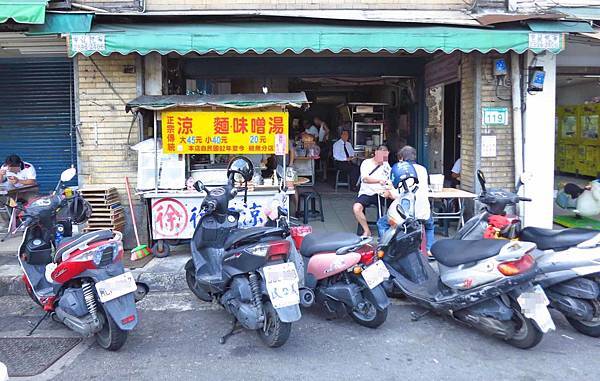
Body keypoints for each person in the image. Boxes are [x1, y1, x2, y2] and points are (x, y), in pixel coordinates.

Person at [377, 146, 435, 252]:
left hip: (407, 213)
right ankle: (429, 250)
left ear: (402, 158)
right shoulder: (423, 169)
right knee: (429, 225)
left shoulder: (402, 170)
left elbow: (398, 194)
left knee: (382, 223)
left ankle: (385, 249)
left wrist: (388, 192)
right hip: (424, 210)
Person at [353, 145, 391, 236]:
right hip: (367, 193)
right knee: (356, 208)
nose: (383, 159)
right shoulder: (366, 163)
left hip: (381, 193)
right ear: (376, 153)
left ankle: (387, 229)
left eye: (385, 156)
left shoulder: (386, 164)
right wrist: (379, 181)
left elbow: (389, 178)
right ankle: (366, 230)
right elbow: (365, 179)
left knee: (394, 205)